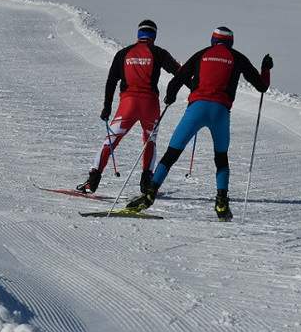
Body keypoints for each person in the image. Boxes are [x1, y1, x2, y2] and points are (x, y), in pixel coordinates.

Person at [125, 26, 273, 221]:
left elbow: (178, 79)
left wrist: (170, 97)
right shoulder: (238, 57)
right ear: (231, 42)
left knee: (172, 153)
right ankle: (221, 202)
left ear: (213, 40)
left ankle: (150, 194)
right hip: (220, 112)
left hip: (196, 109)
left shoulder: (201, 54)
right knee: (221, 157)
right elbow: (262, 86)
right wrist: (266, 68)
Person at [76, 20, 181, 194]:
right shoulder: (158, 52)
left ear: (138, 34)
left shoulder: (124, 53)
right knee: (150, 142)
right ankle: (146, 184)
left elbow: (111, 81)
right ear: (154, 35)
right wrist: (191, 89)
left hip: (128, 105)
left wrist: (107, 107)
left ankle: (92, 182)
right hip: (150, 105)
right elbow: (179, 72)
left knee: (110, 141)